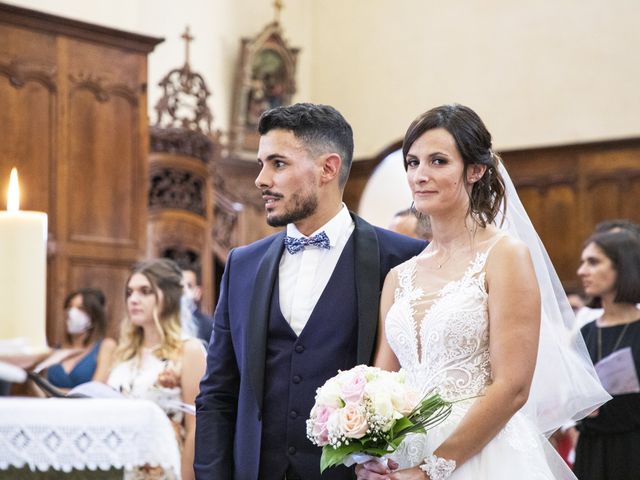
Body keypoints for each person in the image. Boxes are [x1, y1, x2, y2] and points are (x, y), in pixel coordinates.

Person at [356, 104, 609, 480]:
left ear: (475, 170)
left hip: (483, 453)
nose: (420, 175)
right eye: (412, 163)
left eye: (438, 161)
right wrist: (368, 453)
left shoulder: (505, 256)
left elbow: (513, 387)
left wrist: (431, 469)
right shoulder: (399, 276)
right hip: (404, 454)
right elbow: (383, 382)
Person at [194, 103, 426, 479]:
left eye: (278, 164)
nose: (261, 179)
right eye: (261, 164)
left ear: (327, 168)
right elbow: (217, 393)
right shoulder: (242, 266)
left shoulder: (402, 259)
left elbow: (422, 384)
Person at [107, 259, 206, 480]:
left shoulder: (188, 351)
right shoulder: (124, 352)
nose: (133, 299)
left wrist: (186, 477)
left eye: (145, 292)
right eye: (129, 292)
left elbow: (195, 429)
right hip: (120, 464)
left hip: (163, 469)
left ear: (168, 298)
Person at [573, 230, 640, 479]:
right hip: (592, 448)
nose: (581, 271)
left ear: (622, 266)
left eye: (593, 262)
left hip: (633, 448)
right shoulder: (585, 332)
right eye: (582, 262)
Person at [44, 288, 116, 389]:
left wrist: (53, 392)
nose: (72, 313)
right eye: (70, 307)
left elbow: (95, 390)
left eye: (80, 308)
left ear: (94, 316)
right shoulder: (56, 350)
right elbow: (40, 390)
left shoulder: (106, 346)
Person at [181, 268, 214, 343]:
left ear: (198, 291)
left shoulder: (208, 324)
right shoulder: (165, 320)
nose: (183, 290)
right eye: (180, 285)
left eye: (189, 286)